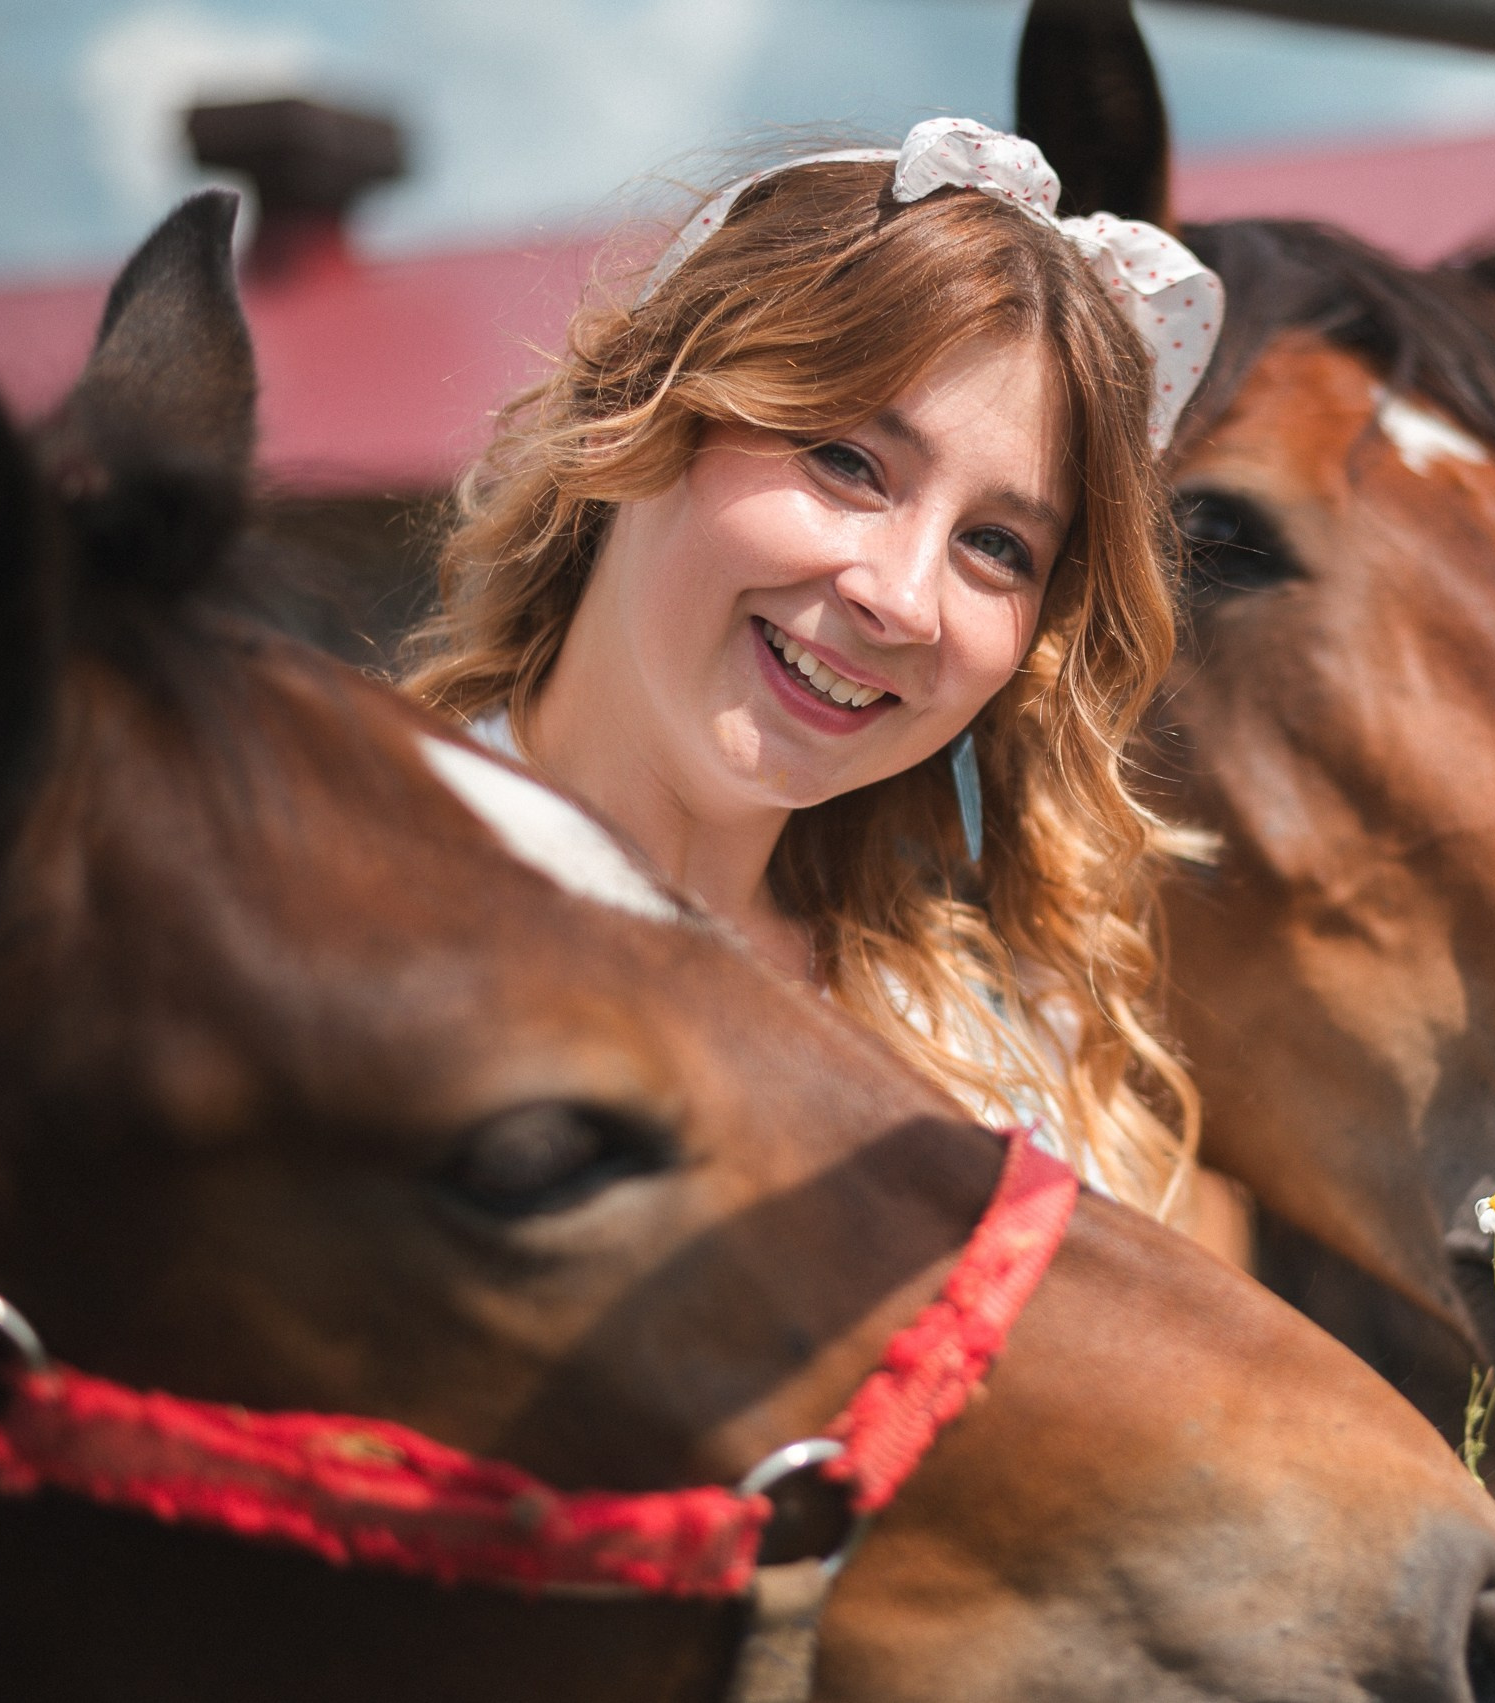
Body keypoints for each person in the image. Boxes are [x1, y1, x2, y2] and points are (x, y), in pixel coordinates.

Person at [403, 120, 1234, 1233]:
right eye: (847, 461)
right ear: (648, 403)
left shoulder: (988, 1078)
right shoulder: (319, 890)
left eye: (998, 547)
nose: (902, 597)